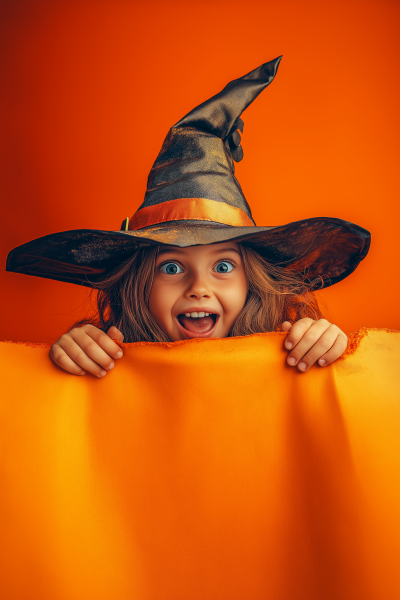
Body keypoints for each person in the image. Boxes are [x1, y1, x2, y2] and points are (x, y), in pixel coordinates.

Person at [6, 56, 370, 378]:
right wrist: (74, 357)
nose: (198, 288)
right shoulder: (105, 358)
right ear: (139, 283)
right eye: (171, 267)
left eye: (224, 267)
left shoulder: (291, 349)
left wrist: (325, 348)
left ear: (252, 283)